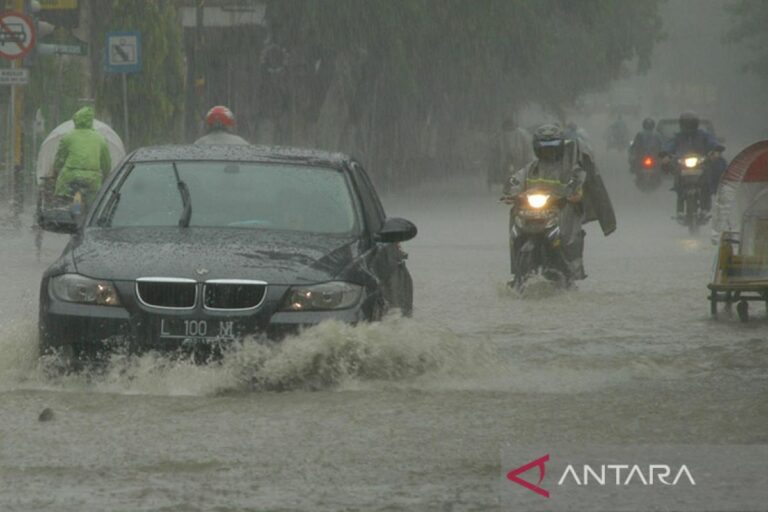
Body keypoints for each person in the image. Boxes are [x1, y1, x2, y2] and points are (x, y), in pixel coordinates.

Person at [504, 124, 587, 280]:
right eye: (544, 147)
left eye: (553, 146)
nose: (548, 150)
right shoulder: (531, 168)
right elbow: (516, 180)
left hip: (559, 216)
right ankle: (517, 272)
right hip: (530, 215)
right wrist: (511, 192)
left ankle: (569, 270)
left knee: (569, 238)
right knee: (514, 223)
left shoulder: (569, 169)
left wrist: (572, 194)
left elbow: (578, 182)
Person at [662, 111, 725, 219]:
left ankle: (705, 207)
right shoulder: (679, 136)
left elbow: (712, 142)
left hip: (701, 162)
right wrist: (665, 154)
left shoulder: (703, 134)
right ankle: (680, 209)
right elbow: (670, 145)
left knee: (709, 177)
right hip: (683, 163)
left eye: (690, 123)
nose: (688, 126)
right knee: (678, 181)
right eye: (686, 124)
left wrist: (716, 150)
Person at [52, 106, 112, 206]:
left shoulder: (68, 137)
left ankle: (63, 207)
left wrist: (56, 170)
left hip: (70, 176)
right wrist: (106, 175)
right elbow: (106, 163)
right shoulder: (100, 139)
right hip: (93, 179)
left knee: (62, 197)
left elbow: (60, 158)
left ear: (76, 119)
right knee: (94, 202)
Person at [487, 117, 532, 190]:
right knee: (505, 170)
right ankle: (507, 184)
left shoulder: (521, 133)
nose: (509, 129)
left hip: (519, 155)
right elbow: (494, 145)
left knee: (521, 170)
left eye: (510, 126)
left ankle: (521, 184)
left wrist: (526, 155)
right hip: (506, 156)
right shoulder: (500, 134)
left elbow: (527, 145)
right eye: (507, 127)